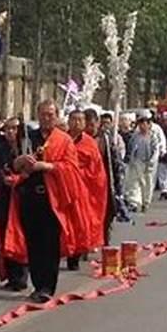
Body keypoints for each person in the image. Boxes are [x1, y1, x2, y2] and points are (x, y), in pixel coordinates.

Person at [9, 99, 89, 303]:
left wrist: (47, 166)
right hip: (29, 197)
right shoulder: (29, 137)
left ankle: (47, 286)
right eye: (43, 114)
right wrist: (18, 163)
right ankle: (37, 284)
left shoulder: (63, 140)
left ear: (57, 116)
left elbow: (71, 168)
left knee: (49, 244)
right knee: (33, 244)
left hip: (51, 198)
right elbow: (14, 163)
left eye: (50, 115)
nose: (46, 118)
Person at [0, 117, 28, 291]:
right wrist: (3, 180)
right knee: (4, 239)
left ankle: (21, 276)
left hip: (23, 200)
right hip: (3, 200)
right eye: (8, 129)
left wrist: (20, 179)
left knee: (22, 239)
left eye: (14, 129)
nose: (11, 132)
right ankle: (11, 276)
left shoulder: (27, 149)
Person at [66, 109, 107, 270]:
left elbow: (96, 170)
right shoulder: (61, 139)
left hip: (84, 190)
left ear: (84, 123)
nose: (76, 123)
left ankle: (75, 255)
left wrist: (79, 173)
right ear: (68, 121)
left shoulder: (90, 143)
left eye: (80, 120)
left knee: (80, 224)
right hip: (65, 188)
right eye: (73, 119)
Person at [96, 111, 131, 225]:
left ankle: (123, 214)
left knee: (116, 196)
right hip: (97, 176)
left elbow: (119, 154)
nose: (105, 125)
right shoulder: (96, 138)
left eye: (108, 123)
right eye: (103, 122)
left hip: (112, 173)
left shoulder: (114, 138)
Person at [125, 116, 159, 213]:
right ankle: (134, 202)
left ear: (149, 125)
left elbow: (156, 150)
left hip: (148, 163)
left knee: (147, 183)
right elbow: (130, 147)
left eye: (144, 124)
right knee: (134, 183)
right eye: (140, 124)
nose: (142, 126)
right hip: (136, 162)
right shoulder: (135, 136)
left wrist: (152, 162)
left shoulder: (153, 137)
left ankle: (146, 202)